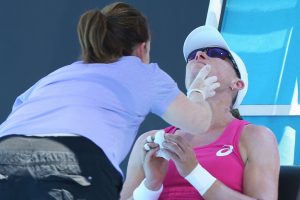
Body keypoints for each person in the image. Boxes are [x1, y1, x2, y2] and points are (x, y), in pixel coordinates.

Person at [0, 3, 219, 200]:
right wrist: (198, 92)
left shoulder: (56, 76)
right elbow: (198, 123)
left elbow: (19, 115)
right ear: (143, 48)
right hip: (75, 160)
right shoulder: (142, 72)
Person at [120, 25, 280, 200]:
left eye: (215, 53)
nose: (198, 56)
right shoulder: (148, 141)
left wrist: (194, 173)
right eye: (191, 56)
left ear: (237, 84)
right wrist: (151, 186)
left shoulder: (255, 137)